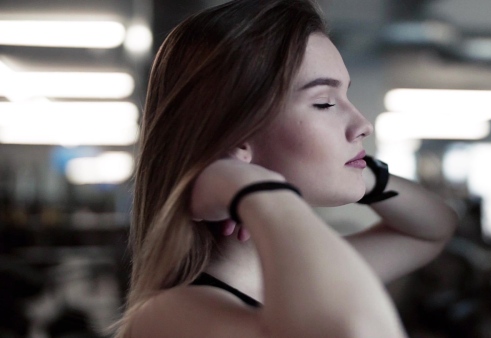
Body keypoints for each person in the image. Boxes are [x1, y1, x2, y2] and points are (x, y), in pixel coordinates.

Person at [112, 0, 457, 337]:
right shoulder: (169, 316)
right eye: (324, 102)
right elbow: (356, 329)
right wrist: (256, 191)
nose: (362, 124)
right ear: (239, 140)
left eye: (346, 97)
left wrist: (364, 175)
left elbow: (434, 227)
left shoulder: (301, 276)